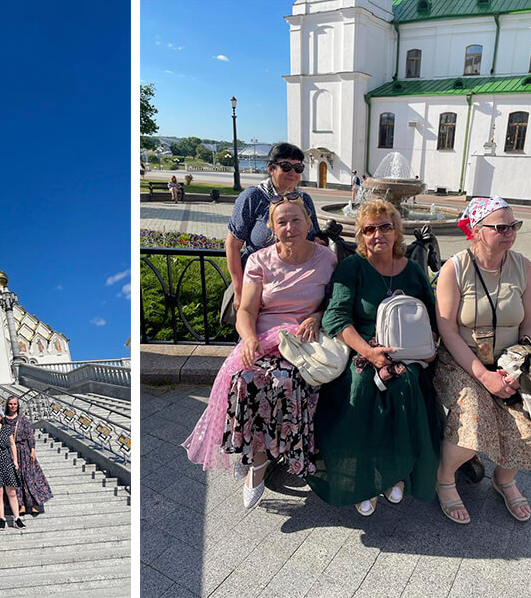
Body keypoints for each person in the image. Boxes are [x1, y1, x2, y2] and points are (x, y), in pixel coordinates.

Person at [183, 198, 337, 508]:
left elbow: (334, 302)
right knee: (245, 377)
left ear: (309, 223)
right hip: (265, 337)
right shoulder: (259, 261)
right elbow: (247, 310)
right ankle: (256, 456)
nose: (290, 228)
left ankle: (281, 456)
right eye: (282, 222)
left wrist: (318, 316)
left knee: (288, 380)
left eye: (296, 220)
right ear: (272, 228)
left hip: (305, 341)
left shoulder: (327, 259)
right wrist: (249, 338)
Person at [307, 199, 441, 516]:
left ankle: (394, 472)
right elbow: (336, 318)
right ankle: (362, 480)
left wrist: (432, 344)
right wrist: (369, 352)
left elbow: (433, 315)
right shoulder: (354, 267)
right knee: (361, 386)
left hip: (408, 349)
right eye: (369, 229)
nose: (377, 234)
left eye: (385, 227)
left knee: (406, 383)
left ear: (396, 232)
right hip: (363, 347)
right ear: (362, 235)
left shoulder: (412, 270)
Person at [433, 197, 531, 524]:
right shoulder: (456, 268)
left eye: (514, 226)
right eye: (501, 227)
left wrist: (518, 366)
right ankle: (445, 479)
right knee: (475, 419)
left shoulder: (524, 267)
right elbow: (448, 330)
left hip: (512, 360)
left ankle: (504, 479)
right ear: (477, 231)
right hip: (462, 361)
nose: (510, 233)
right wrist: (484, 375)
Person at [225, 142, 323, 316]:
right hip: (257, 287)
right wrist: (239, 290)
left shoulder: (304, 200)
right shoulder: (253, 197)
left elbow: (312, 237)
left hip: (297, 286)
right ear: (271, 168)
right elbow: (233, 244)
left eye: (298, 167)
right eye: (286, 166)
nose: (292, 172)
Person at [3, 396, 52, 516]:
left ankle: (34, 504)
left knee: (29, 477)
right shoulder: (3, 420)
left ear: (18, 405)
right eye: (10, 404)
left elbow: (30, 435)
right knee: (16, 479)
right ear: (7, 405)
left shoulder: (23, 419)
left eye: (15, 404)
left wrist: (33, 450)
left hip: (24, 450)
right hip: (11, 452)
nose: (13, 406)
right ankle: (21, 505)